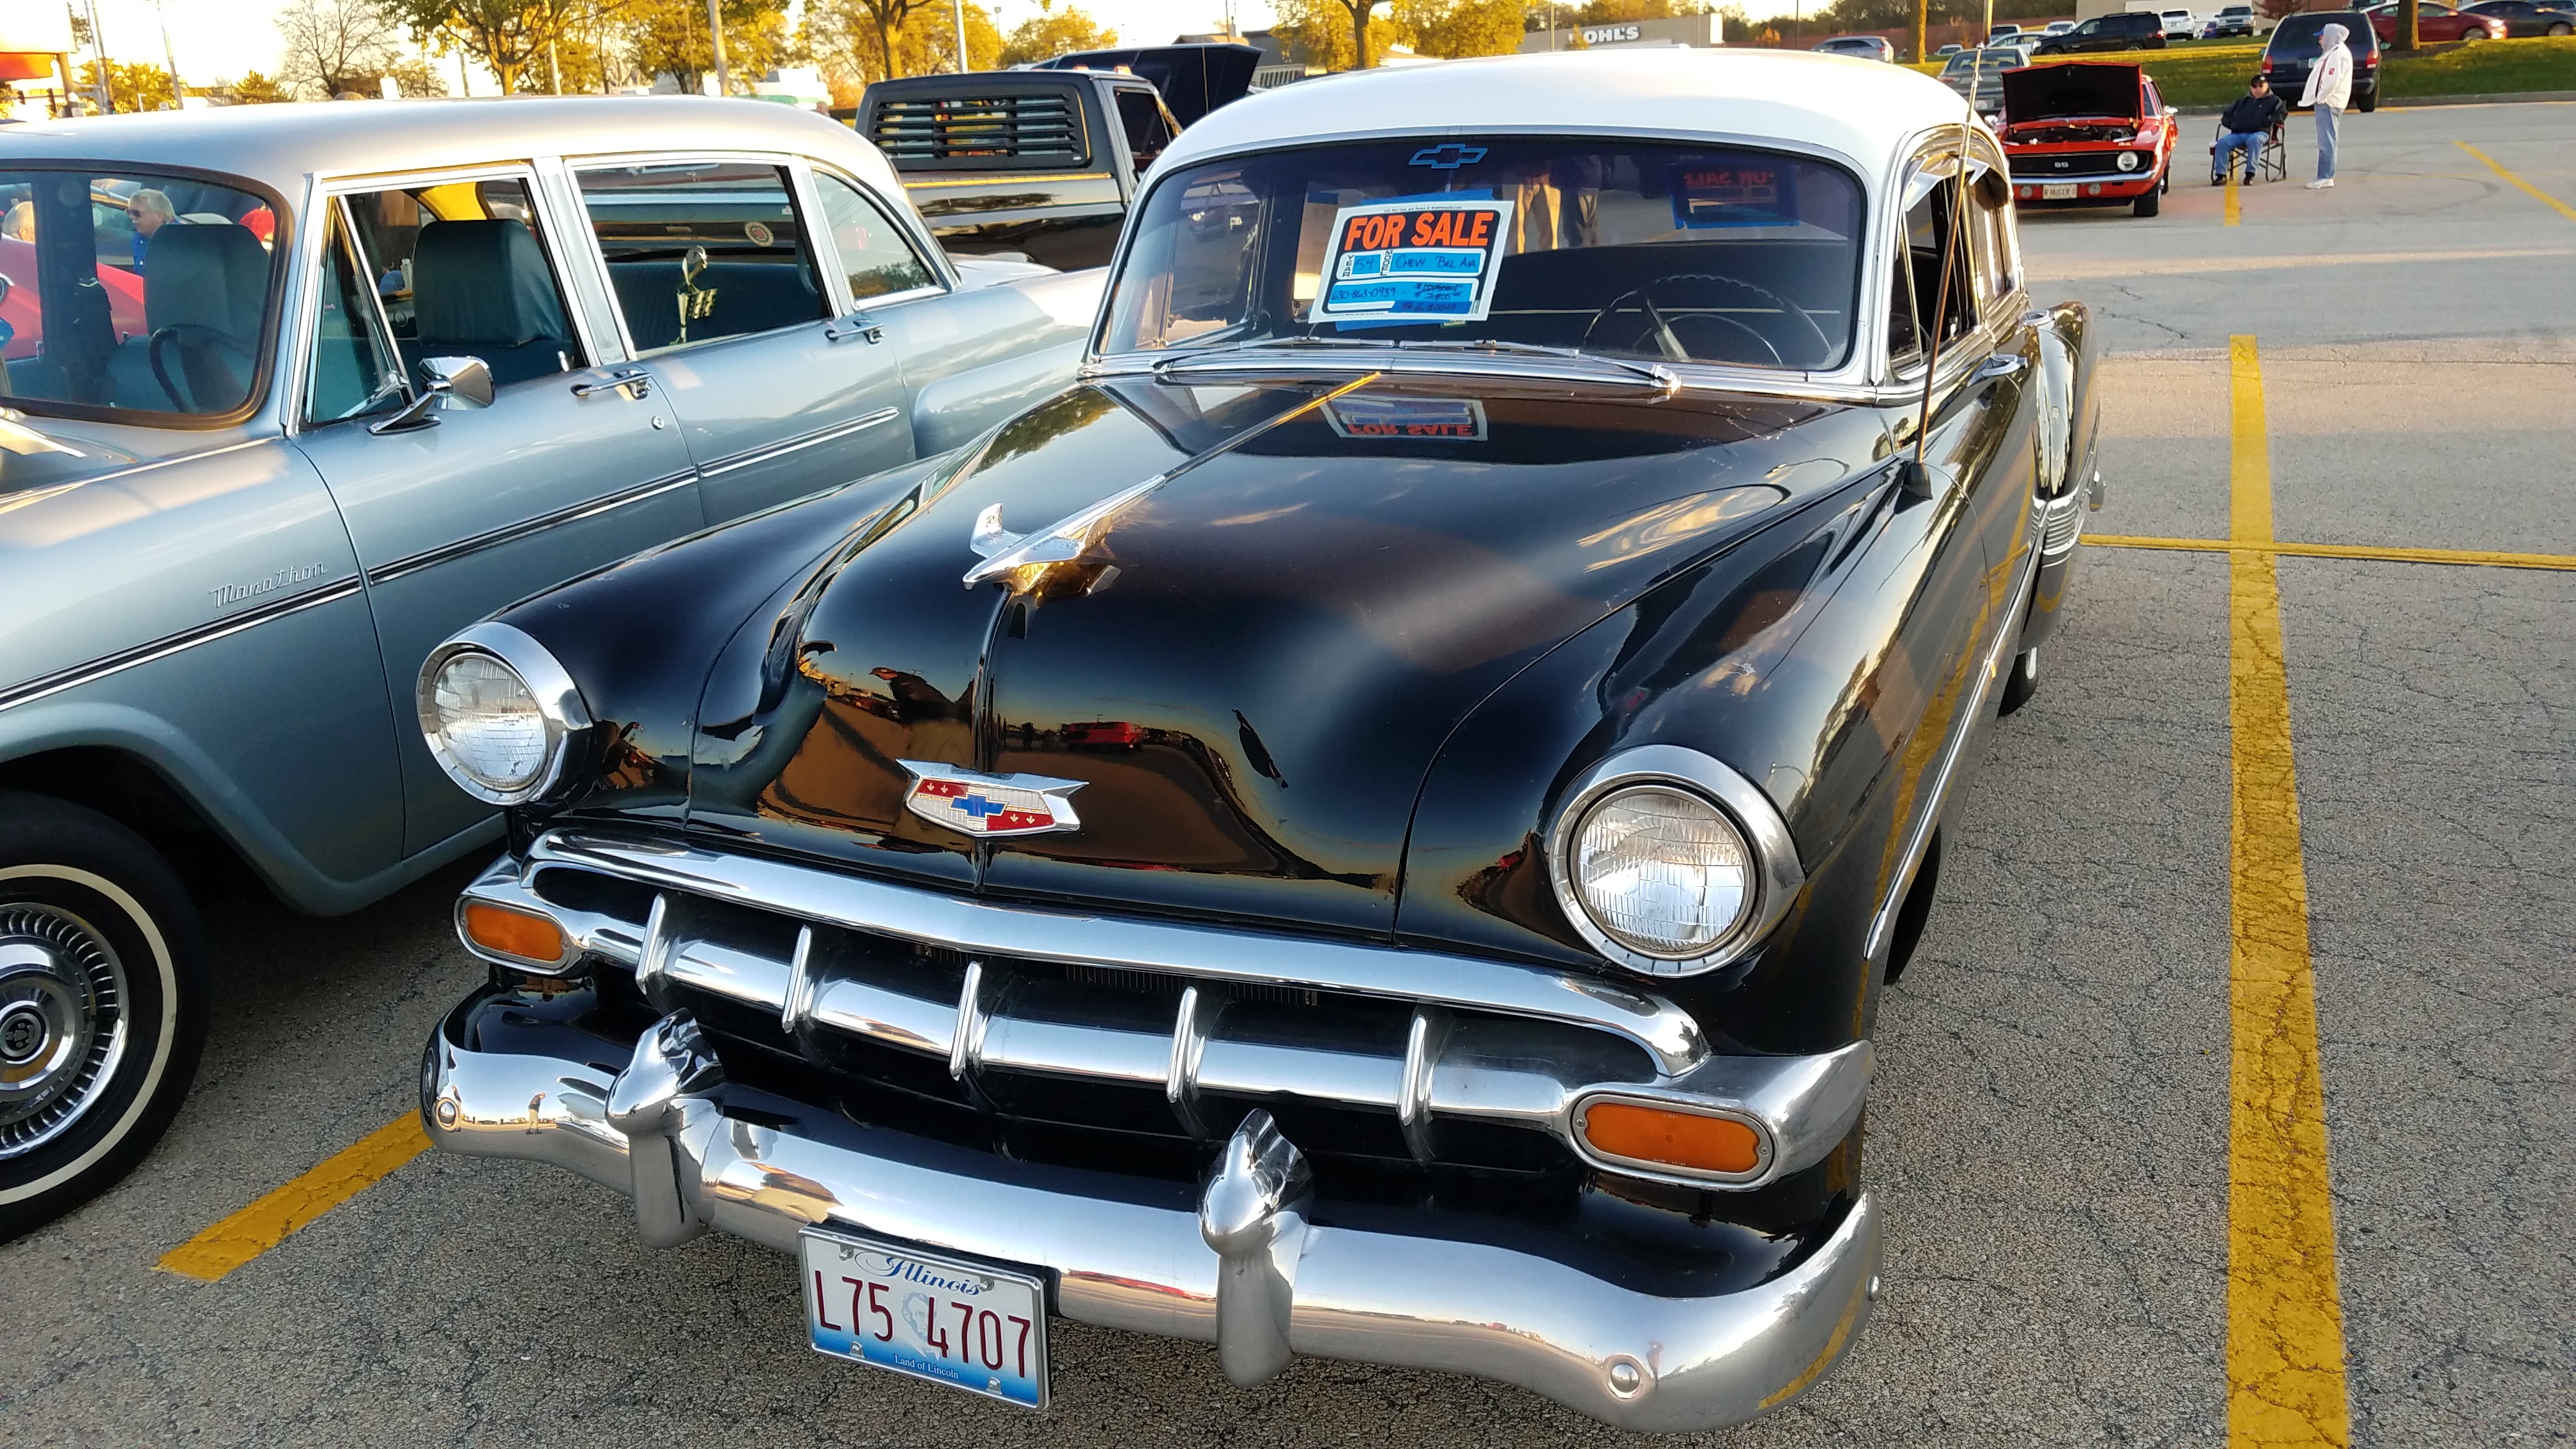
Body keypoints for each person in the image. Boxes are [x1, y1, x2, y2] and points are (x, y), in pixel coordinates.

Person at [2298, 23, 2352, 190]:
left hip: (2329, 103)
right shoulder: (2334, 52)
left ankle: (2326, 177)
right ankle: (2324, 175)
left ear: (2330, 37)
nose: (2320, 41)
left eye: (2321, 37)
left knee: (2326, 141)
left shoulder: (2338, 55)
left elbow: (2331, 81)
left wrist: (2321, 98)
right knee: (2326, 140)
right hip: (2328, 102)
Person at [2214, 75, 2287, 185]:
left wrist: (2266, 121)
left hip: (2261, 133)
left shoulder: (2275, 101)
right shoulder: (2242, 102)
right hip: (2239, 133)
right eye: (2255, 86)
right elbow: (2227, 115)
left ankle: (2250, 174)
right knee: (2223, 143)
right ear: (2251, 88)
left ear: (2267, 86)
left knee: (2255, 140)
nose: (2258, 89)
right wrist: (2233, 124)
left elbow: (2281, 115)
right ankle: (2221, 175)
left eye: (2261, 86)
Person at [127, 188, 176, 269]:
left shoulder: (178, 242)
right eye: (129, 212)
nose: (131, 217)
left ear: (159, 216)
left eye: (136, 213)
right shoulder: (140, 236)